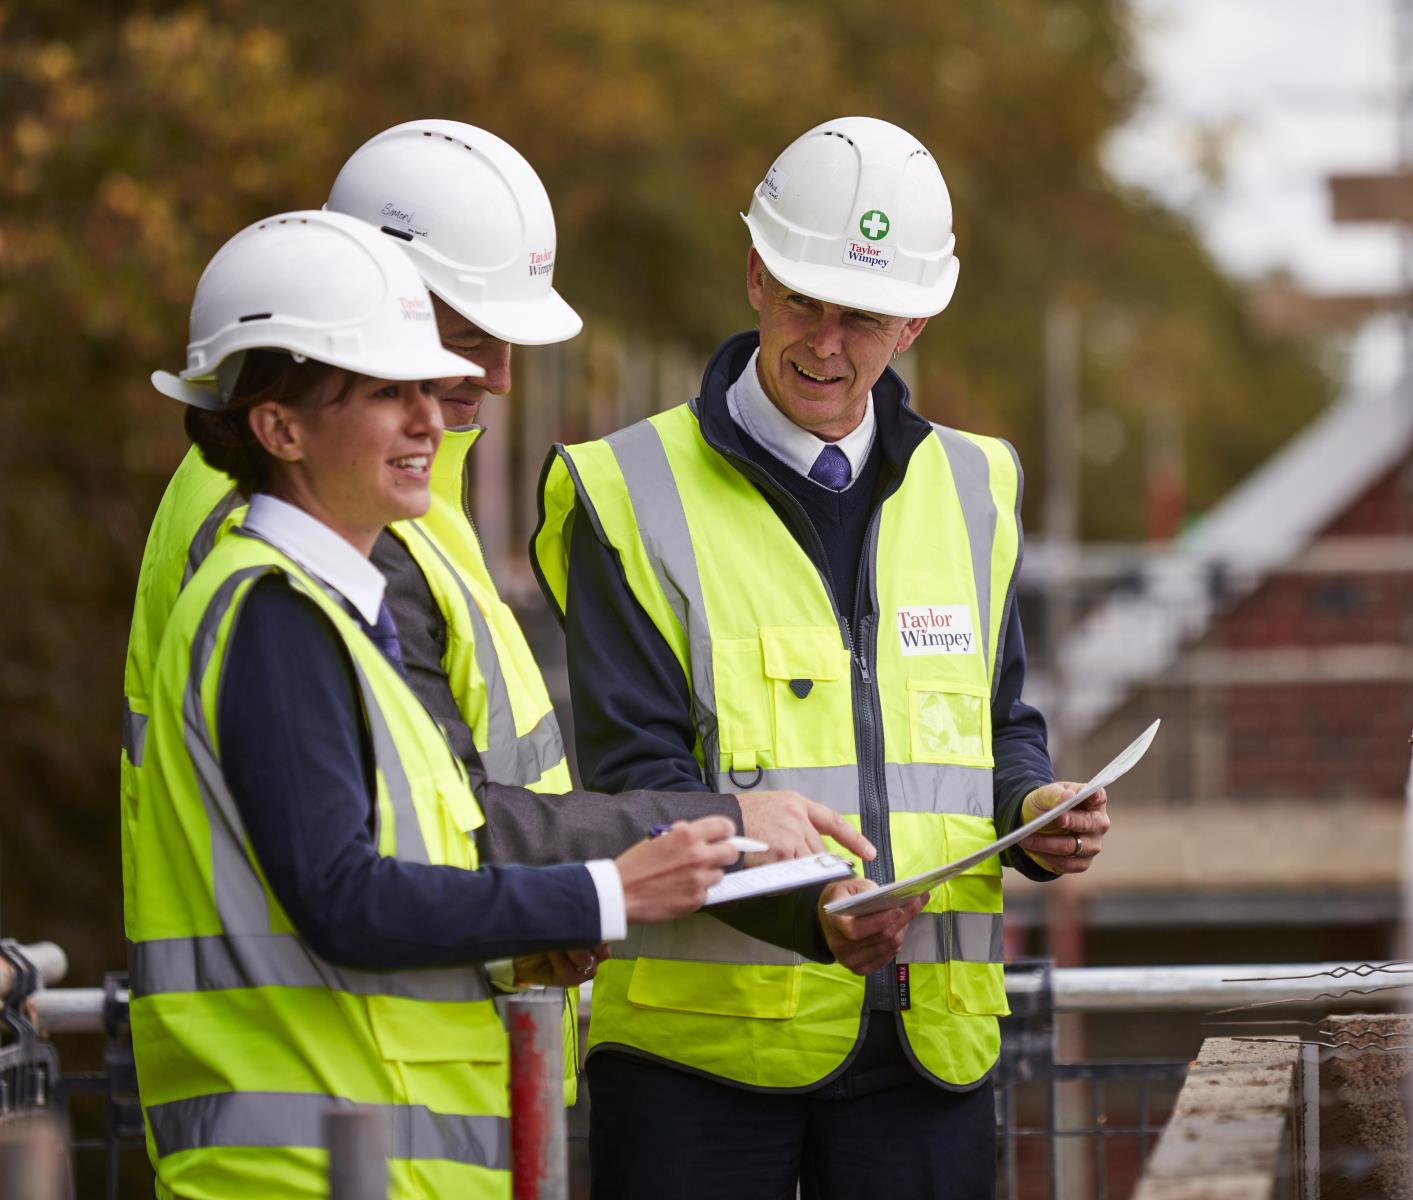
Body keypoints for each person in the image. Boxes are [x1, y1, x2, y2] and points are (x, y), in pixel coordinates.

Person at [118, 121, 868, 1002]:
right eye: (468, 334)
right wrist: (680, 843)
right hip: (317, 1075)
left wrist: (522, 925)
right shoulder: (284, 529)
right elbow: (355, 877)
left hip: (391, 1051)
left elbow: (419, 813)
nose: (502, 376)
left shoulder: (375, 495)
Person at [530, 116, 1112, 1199]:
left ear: (918, 319)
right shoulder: (626, 493)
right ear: (755, 271)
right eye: (804, 300)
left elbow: (998, 727)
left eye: (864, 315)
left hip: (928, 1058)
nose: (827, 344)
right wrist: (803, 909)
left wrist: (1039, 812)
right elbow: (633, 782)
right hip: (696, 1063)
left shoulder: (976, 488)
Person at [126, 210, 745, 1200]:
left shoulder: (334, 609)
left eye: (427, 383)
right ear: (279, 427)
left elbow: (398, 875)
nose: (431, 418)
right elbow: (344, 899)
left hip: (374, 1165)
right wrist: (607, 892)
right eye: (385, 392)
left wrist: (518, 933)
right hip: (301, 1173)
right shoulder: (273, 612)